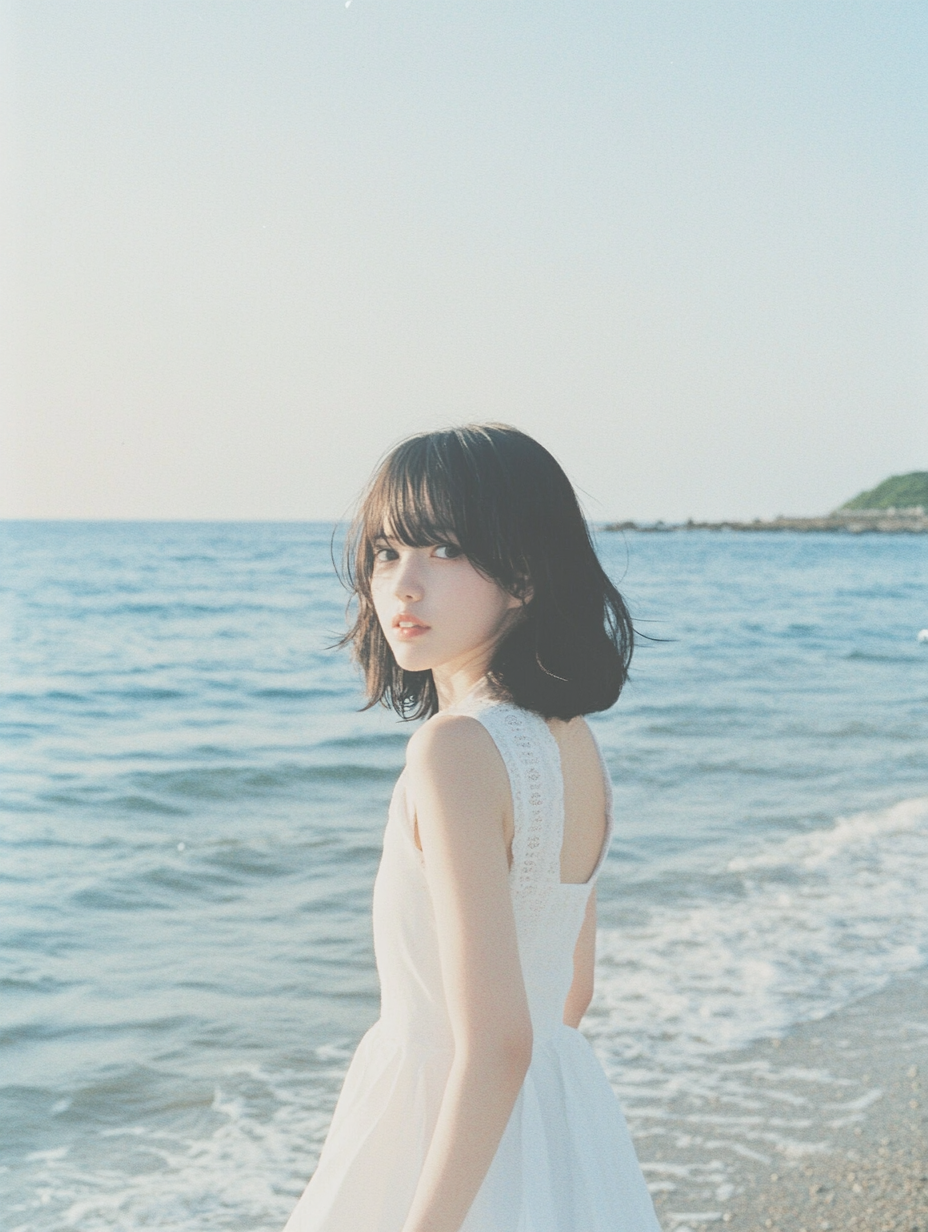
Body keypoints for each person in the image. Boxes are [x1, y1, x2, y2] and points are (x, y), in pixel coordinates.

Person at [283, 424, 662, 1232]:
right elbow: (571, 989)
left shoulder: (454, 749)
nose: (402, 586)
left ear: (524, 575)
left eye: (441, 550)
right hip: (559, 1119)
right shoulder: (573, 742)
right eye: (386, 553)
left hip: (440, 1121)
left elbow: (493, 1043)